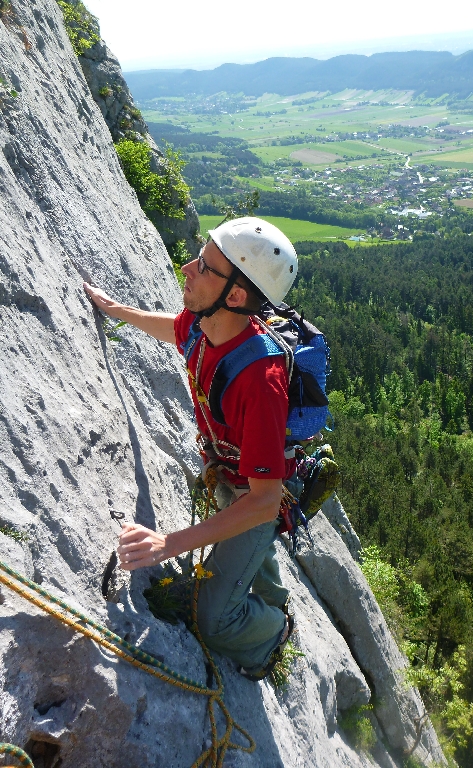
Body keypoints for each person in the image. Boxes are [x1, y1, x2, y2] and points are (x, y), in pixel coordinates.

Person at [84, 217, 299, 680]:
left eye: (204, 265)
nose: (186, 267)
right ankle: (268, 593)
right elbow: (174, 330)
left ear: (235, 296)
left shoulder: (260, 383)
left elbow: (263, 502)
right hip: (231, 471)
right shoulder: (207, 327)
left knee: (212, 619)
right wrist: (117, 310)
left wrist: (170, 543)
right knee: (249, 549)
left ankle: (274, 629)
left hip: (254, 491)